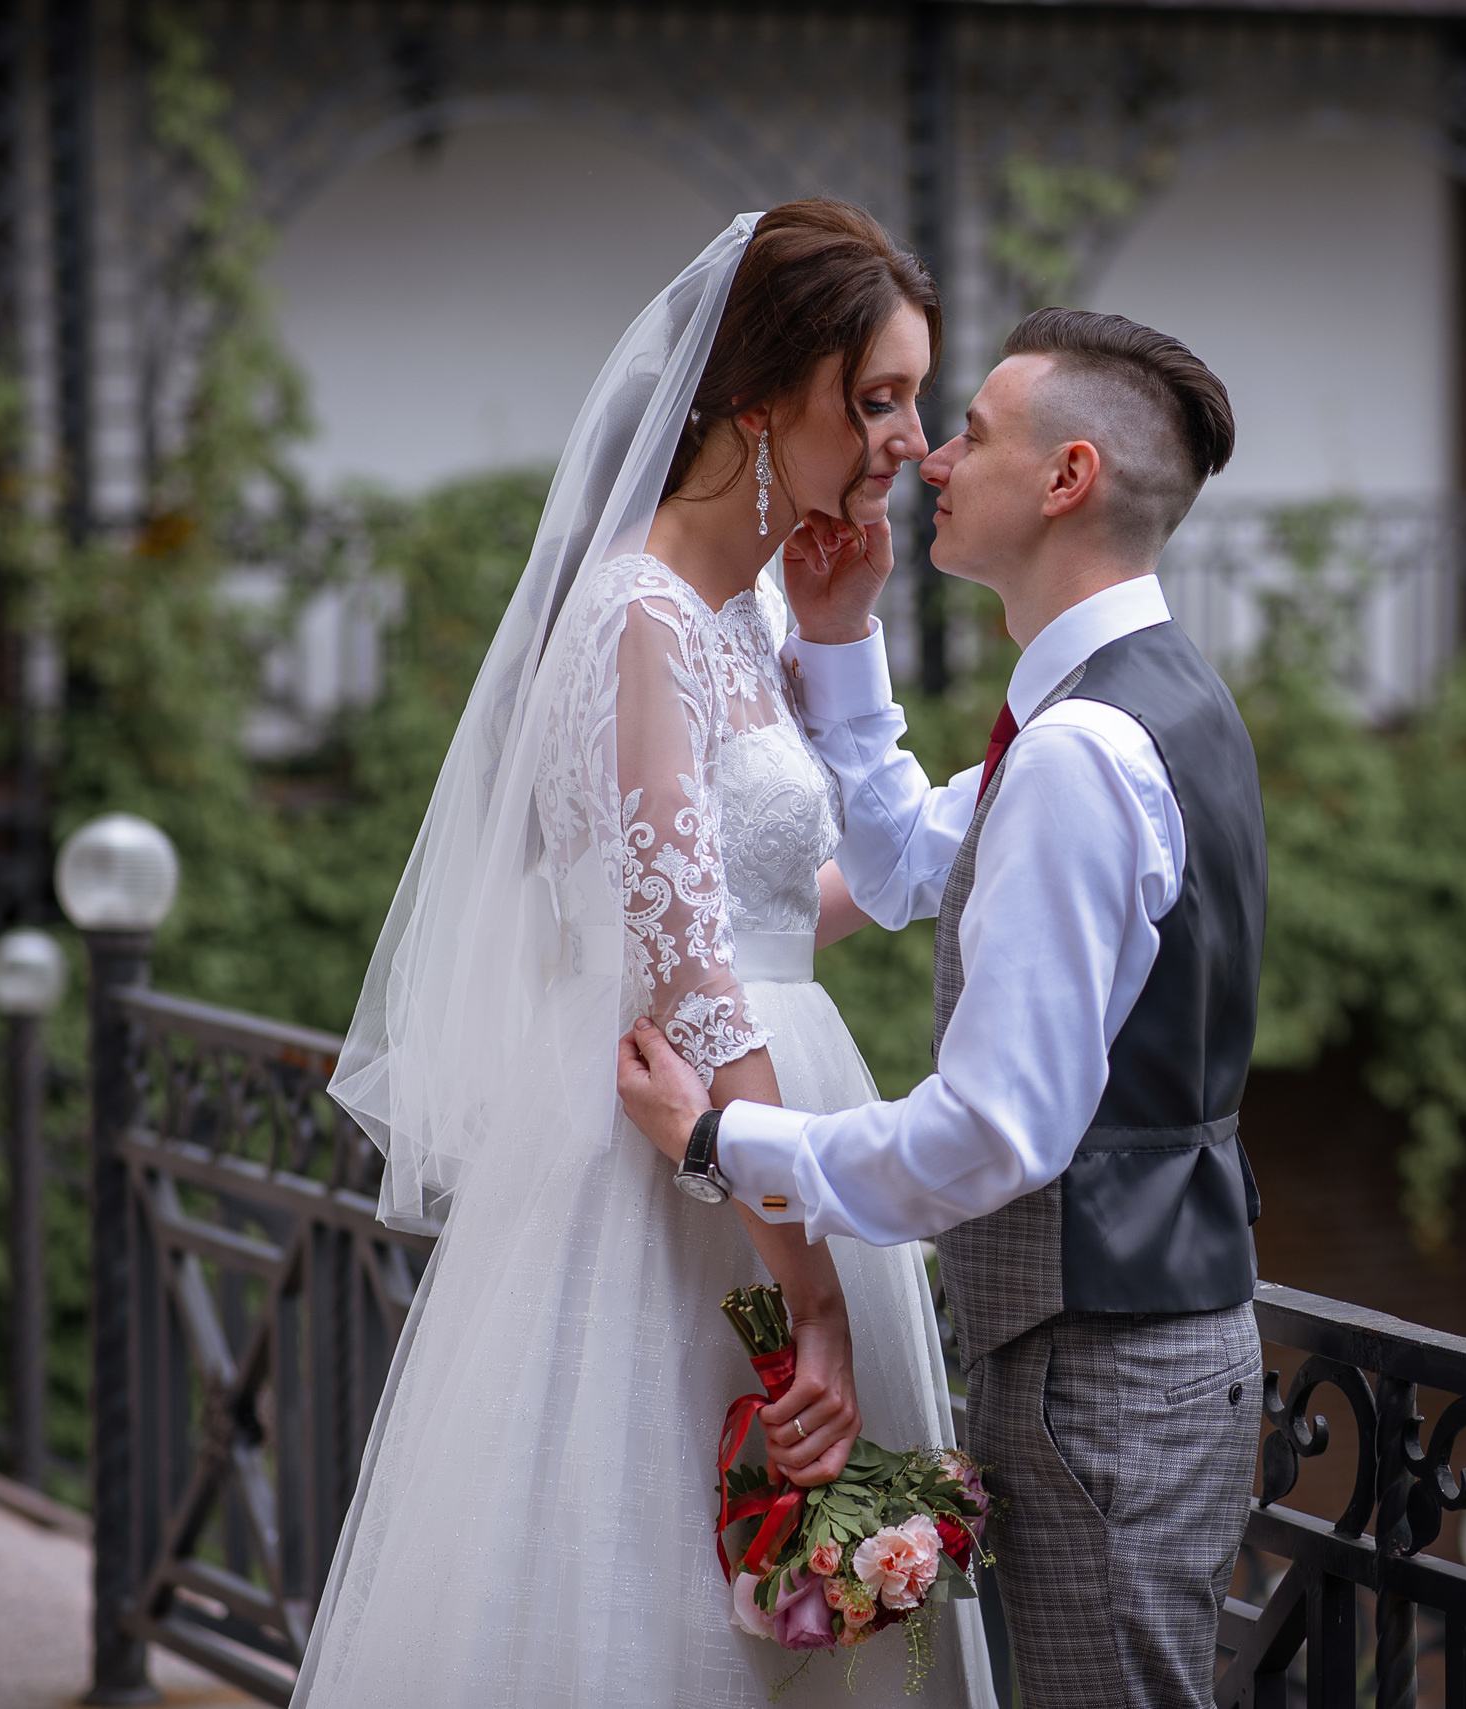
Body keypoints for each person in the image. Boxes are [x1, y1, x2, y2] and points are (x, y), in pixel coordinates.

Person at [297, 202, 990, 1707]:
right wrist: (808, 1293)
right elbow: (688, 969)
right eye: (875, 396)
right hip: (689, 1165)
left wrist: (971, 799)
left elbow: (762, 902)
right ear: (758, 399)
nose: (910, 441)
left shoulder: (733, 611)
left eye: (916, 399)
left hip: (759, 1124)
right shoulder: (635, 619)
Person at [620, 307, 1263, 1709]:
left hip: (1108, 1376)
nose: (928, 458)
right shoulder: (1142, 704)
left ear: (1067, 477)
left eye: (969, 429)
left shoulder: (1084, 751)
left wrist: (728, 1143)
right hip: (1152, 1345)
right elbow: (917, 861)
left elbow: (994, 1131)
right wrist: (844, 641)